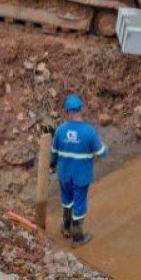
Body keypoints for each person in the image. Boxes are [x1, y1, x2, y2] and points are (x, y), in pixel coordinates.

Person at [50, 94, 108, 247]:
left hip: (64, 174)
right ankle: (78, 236)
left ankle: (66, 227)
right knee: (79, 202)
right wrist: (103, 148)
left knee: (67, 200)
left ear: (67, 111)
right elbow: (102, 152)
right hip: (81, 175)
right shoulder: (89, 132)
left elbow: (53, 154)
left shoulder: (60, 130)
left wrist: (53, 165)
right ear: (81, 109)